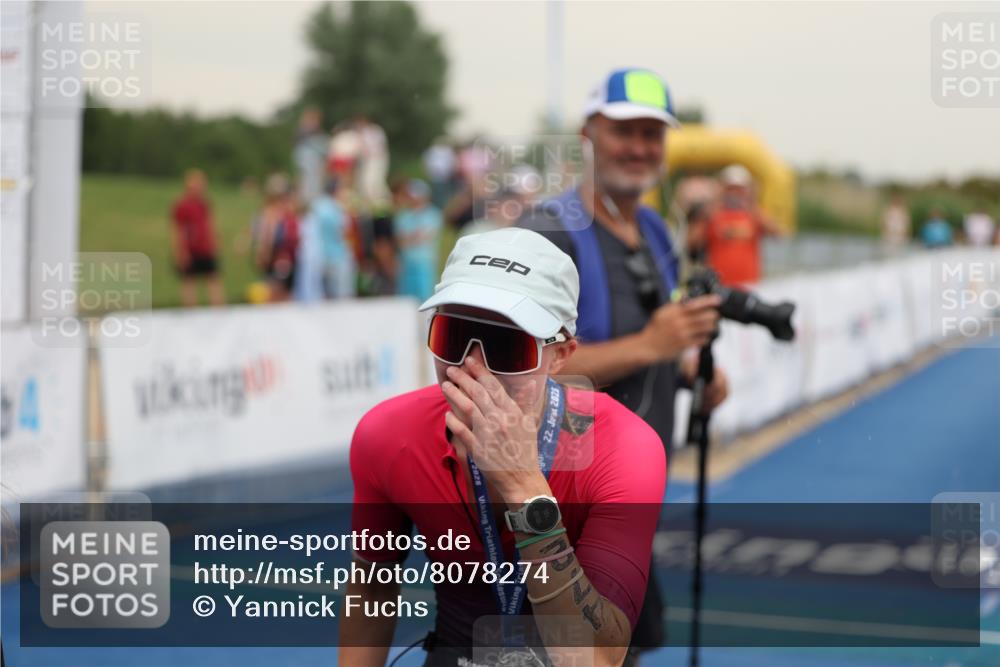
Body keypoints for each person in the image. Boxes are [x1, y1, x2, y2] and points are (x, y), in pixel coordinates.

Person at [341, 227, 667, 666]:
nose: (472, 366)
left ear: (561, 354)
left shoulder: (623, 446)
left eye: (505, 346)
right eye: (452, 337)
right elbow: (373, 587)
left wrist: (524, 490)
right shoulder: (388, 435)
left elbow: (596, 659)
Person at [520, 67, 729, 665]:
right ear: (588, 133)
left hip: (623, 498)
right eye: (624, 131)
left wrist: (690, 372)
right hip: (560, 508)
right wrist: (653, 347)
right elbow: (518, 373)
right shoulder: (548, 232)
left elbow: (651, 342)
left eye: (652, 134)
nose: (639, 148)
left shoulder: (653, 228)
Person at [704, 164, 784, 286]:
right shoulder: (713, 214)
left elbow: (778, 234)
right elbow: (693, 241)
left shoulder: (754, 214)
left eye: (739, 189)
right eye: (730, 188)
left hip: (749, 285)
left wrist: (752, 203)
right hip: (719, 286)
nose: (735, 193)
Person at [170, 169, 225, 307]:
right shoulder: (182, 205)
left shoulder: (204, 204)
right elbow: (178, 230)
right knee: (189, 281)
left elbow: (210, 224)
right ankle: (191, 313)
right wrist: (181, 251)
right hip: (191, 249)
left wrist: (215, 241)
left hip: (206, 248)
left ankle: (219, 312)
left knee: (213, 279)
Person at [252, 173, 300, 301]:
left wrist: (263, 253)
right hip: (286, 257)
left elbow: (267, 236)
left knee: (275, 293)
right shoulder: (286, 210)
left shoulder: (270, 212)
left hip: (277, 257)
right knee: (283, 293)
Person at [394, 179, 443, 302]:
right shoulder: (403, 215)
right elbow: (401, 240)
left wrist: (411, 237)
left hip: (425, 262)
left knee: (425, 297)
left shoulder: (433, 214)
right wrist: (413, 237)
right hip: (406, 262)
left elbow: (425, 237)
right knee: (406, 299)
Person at [293, 106, 329, 204]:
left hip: (314, 160)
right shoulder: (304, 131)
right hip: (307, 159)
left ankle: (312, 200)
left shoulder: (315, 131)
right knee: (307, 181)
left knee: (315, 181)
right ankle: (306, 200)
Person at [355, 114, 391, 208]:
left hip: (377, 160)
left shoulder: (376, 130)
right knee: (364, 183)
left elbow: (380, 147)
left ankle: (382, 203)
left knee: (376, 182)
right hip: (367, 162)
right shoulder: (361, 133)